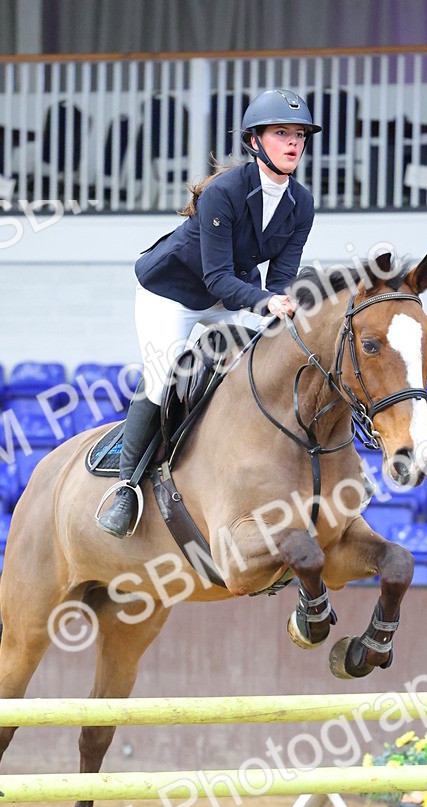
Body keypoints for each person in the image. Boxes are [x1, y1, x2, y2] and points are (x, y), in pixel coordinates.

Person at [96, 87, 321, 538]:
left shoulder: (301, 204)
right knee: (164, 372)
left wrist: (283, 302)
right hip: (171, 292)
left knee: (256, 359)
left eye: (299, 134)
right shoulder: (224, 192)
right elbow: (218, 279)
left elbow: (278, 279)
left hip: (228, 295)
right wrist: (267, 302)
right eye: (281, 133)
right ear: (255, 142)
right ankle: (125, 487)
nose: (293, 142)